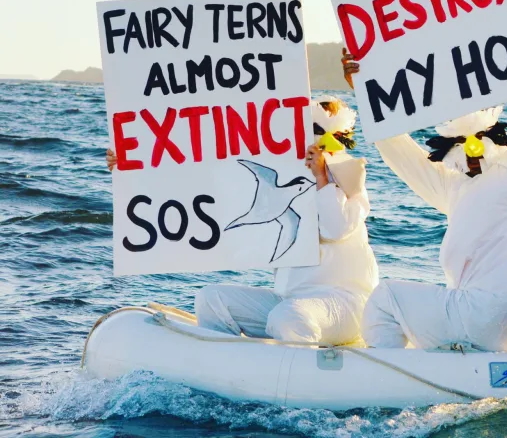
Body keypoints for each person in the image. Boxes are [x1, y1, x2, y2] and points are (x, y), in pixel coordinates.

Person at [343, 8, 507, 353]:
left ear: (494, 140)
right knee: (405, 299)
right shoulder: (452, 186)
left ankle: (390, 371)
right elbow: (402, 154)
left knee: (385, 298)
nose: (470, 153)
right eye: (460, 146)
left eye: (476, 144)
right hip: (504, 324)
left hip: (482, 316)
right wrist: (366, 91)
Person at [105, 96, 378, 345]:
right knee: (212, 300)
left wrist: (321, 178)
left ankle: (299, 377)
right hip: (290, 300)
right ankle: (227, 370)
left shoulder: (350, 181)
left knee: (288, 317)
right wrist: (134, 165)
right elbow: (205, 179)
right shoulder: (281, 174)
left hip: (344, 303)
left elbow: (335, 228)